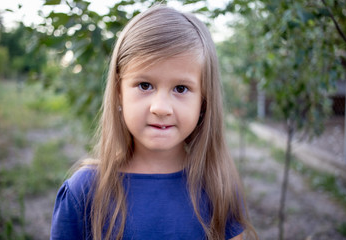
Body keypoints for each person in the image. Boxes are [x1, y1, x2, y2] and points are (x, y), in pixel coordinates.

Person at [50, 5, 257, 240]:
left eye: (181, 88)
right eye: (145, 85)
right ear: (119, 93)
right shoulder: (84, 192)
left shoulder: (219, 188)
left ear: (203, 100)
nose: (160, 108)